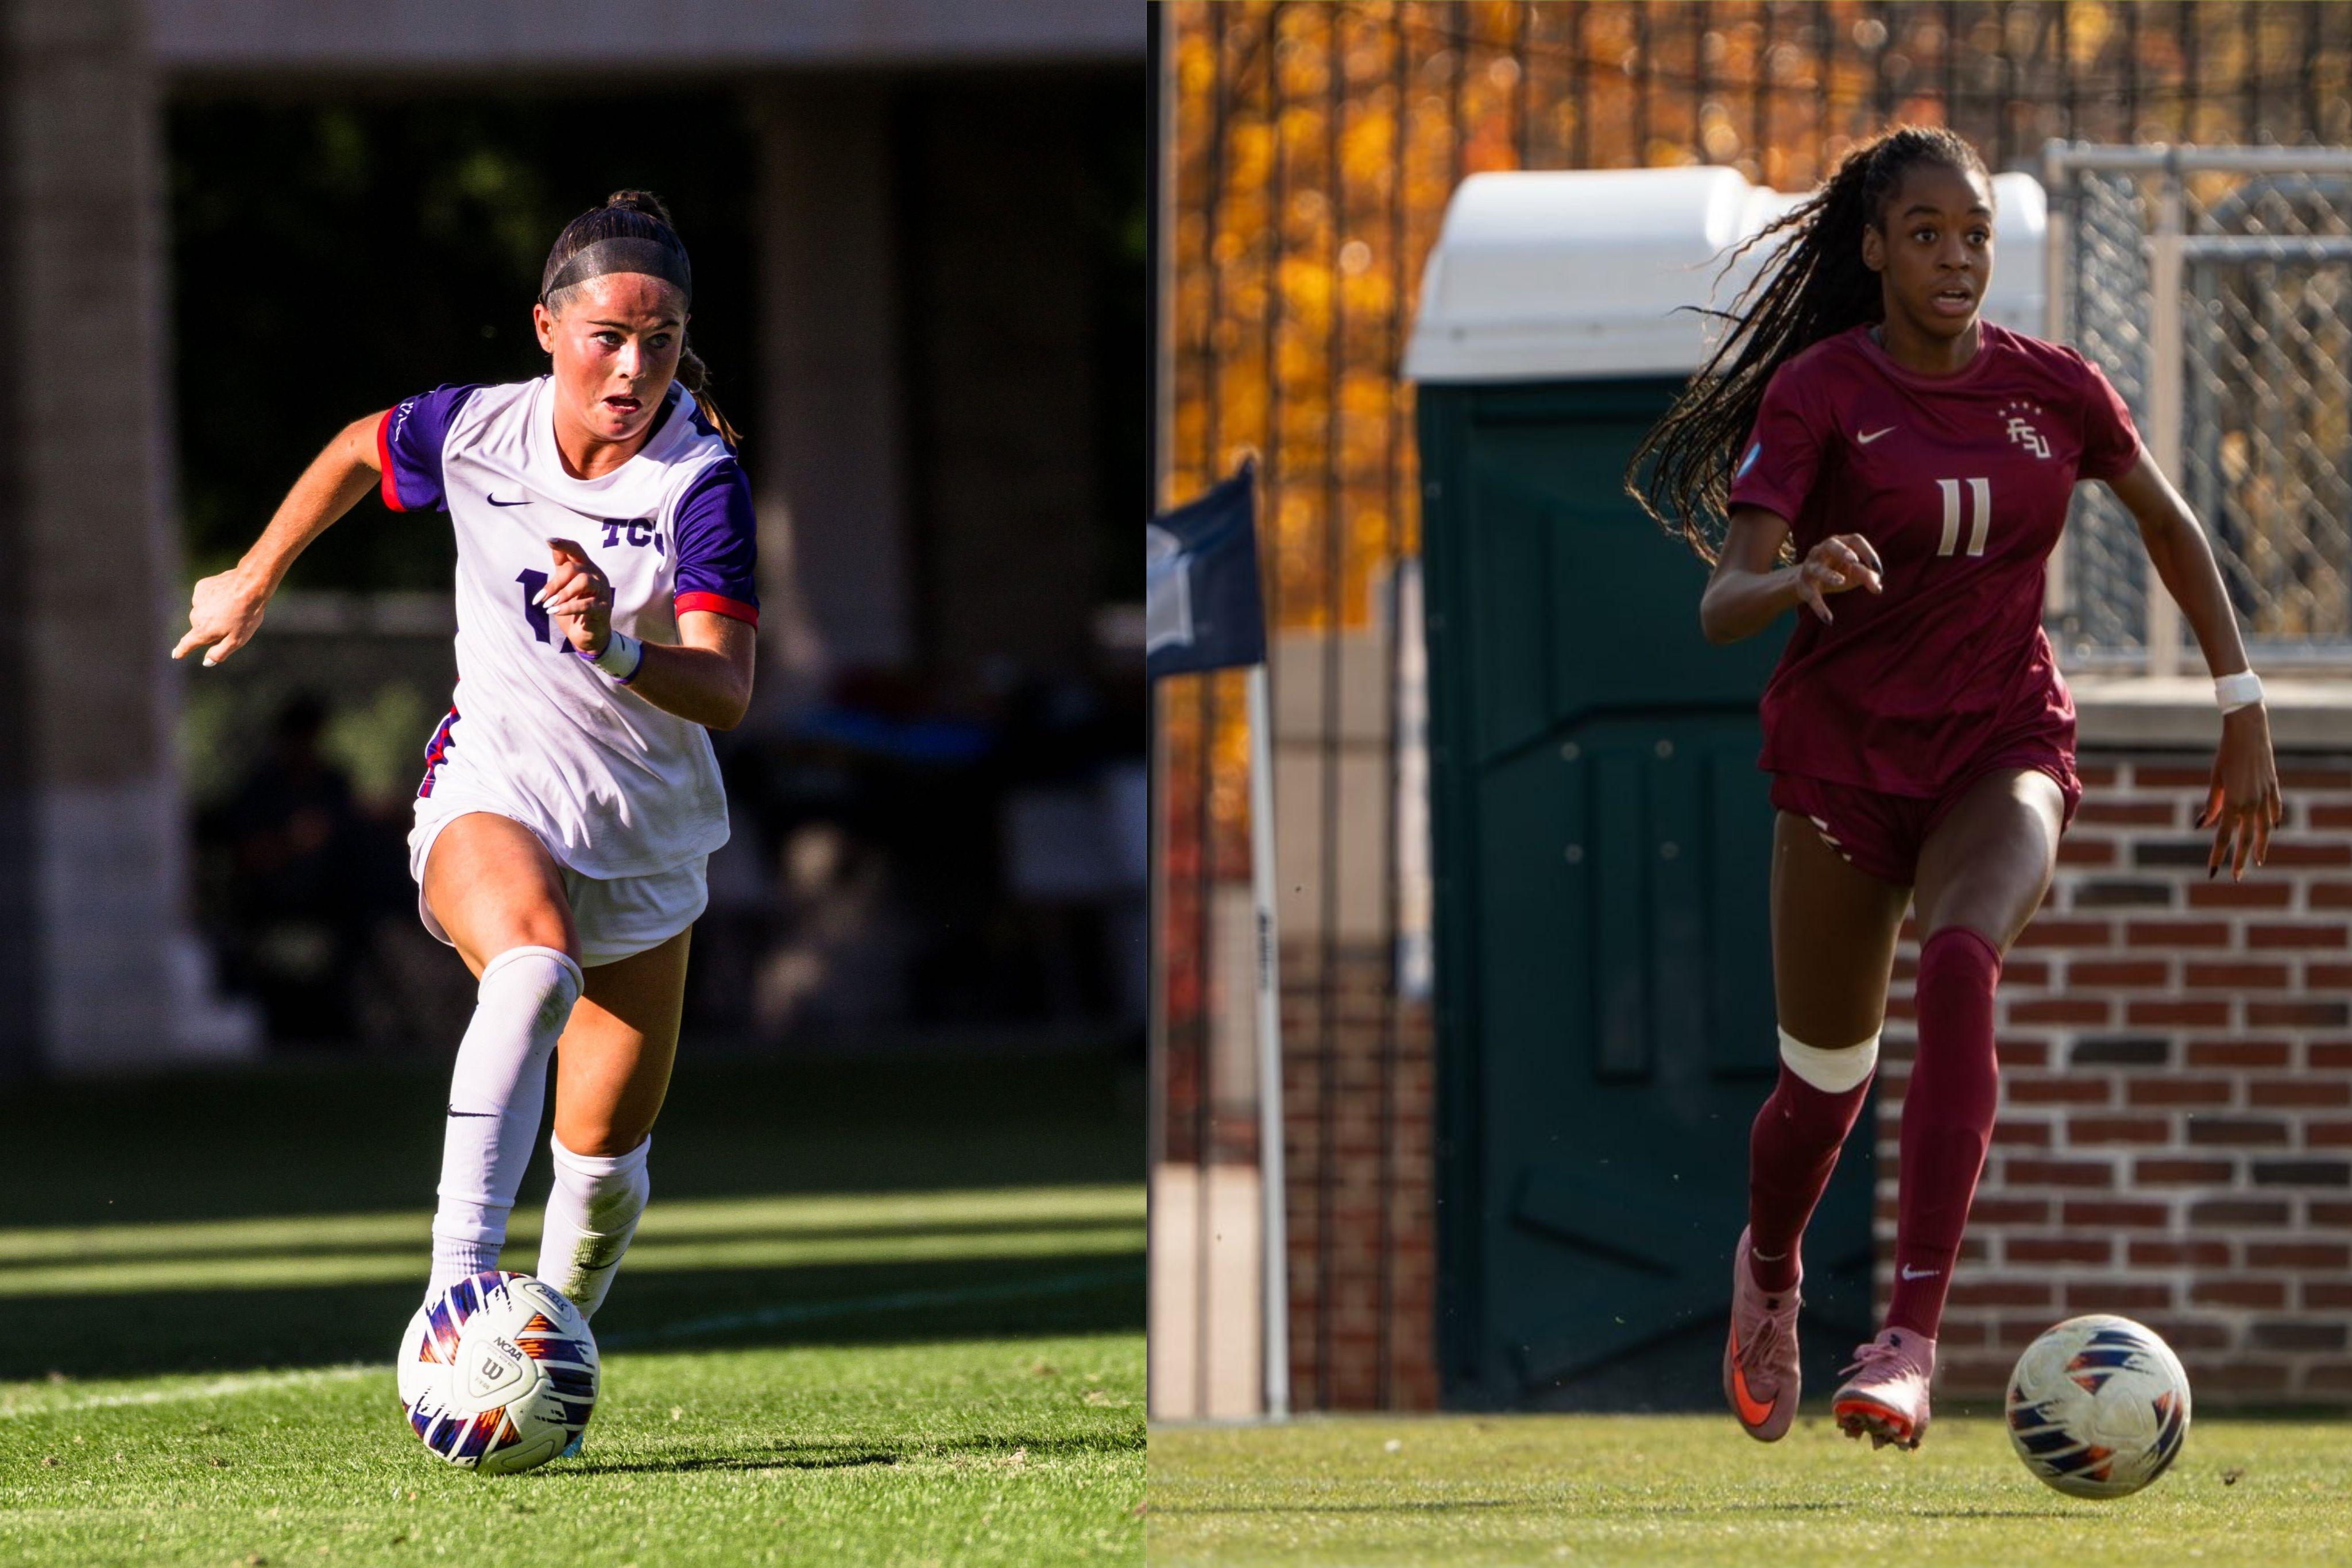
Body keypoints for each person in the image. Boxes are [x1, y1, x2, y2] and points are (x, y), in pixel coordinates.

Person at [1625, 126, 2280, 1451]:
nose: (1952, 257)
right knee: (1819, 1088)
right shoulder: (1817, 391)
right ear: (1871, 247)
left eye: (1971, 234)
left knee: (1961, 956)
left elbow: (2164, 519)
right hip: (1842, 763)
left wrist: (2240, 700)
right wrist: (1795, 578)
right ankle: (1768, 1264)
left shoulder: (2055, 388)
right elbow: (1718, 601)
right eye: (1923, 232)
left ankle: (1907, 1342)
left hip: (2001, 744)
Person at [176, 192, 759, 1359]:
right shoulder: (476, 429)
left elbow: (727, 688)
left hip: (643, 829)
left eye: (659, 341)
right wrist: (253, 573)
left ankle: (539, 1364)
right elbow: (356, 448)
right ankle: (451, 1307)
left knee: (601, 1176)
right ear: (546, 329)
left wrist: (618, 648)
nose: (632, 366)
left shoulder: (697, 483)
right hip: (496, 779)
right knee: (533, 966)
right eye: (607, 336)